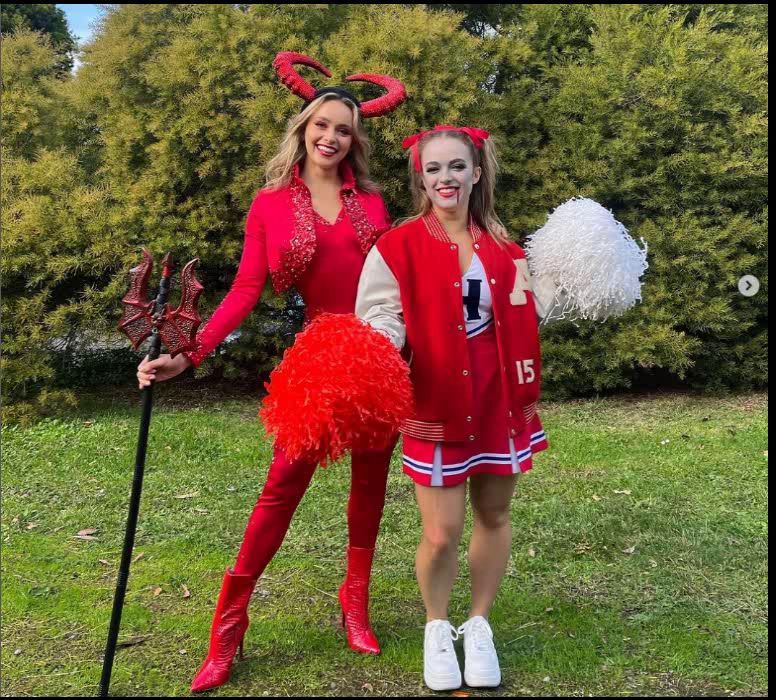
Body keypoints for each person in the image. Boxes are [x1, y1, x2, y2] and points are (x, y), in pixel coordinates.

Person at [136, 52, 406, 693]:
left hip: (379, 356)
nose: (331, 137)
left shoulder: (373, 201)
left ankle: (355, 602)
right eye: (322, 125)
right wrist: (191, 353)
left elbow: (401, 278)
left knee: (371, 481)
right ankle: (229, 626)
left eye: (344, 130)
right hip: (317, 359)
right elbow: (244, 291)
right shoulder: (269, 205)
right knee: (282, 484)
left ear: (355, 140)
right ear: (303, 128)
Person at [355, 125, 548, 691]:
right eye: (434, 168)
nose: (446, 178)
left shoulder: (507, 249)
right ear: (421, 177)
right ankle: (437, 626)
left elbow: (531, 311)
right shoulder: (397, 246)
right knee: (441, 532)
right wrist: (381, 341)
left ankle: (479, 624)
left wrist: (574, 288)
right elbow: (381, 313)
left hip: (499, 399)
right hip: (435, 399)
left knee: (494, 516)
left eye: (457, 166)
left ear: (476, 173)